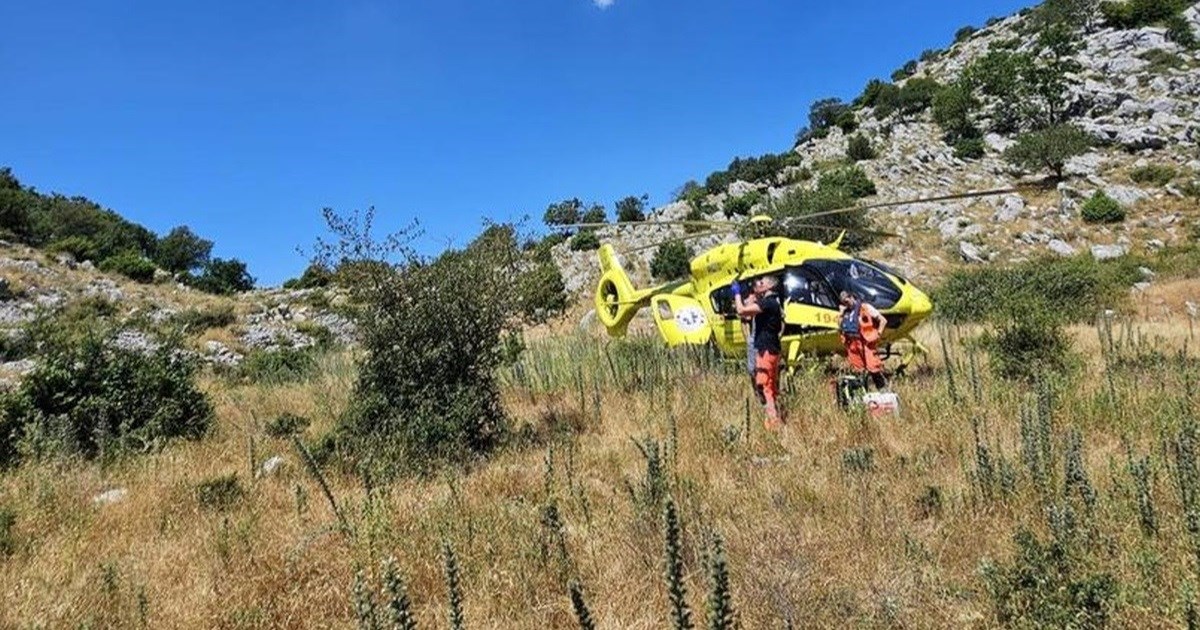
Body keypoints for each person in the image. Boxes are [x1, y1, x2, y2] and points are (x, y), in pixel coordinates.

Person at [734, 276, 784, 429]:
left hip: (765, 350)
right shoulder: (775, 303)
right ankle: (777, 416)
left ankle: (773, 422)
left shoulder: (768, 303)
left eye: (762, 283)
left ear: (770, 287)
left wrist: (736, 293)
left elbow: (741, 311)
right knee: (772, 386)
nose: (759, 284)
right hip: (774, 348)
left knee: (765, 387)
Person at [838, 290, 888, 391]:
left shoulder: (865, 307)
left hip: (865, 342)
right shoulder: (845, 312)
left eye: (847, 301)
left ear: (851, 297)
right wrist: (841, 314)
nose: (846, 304)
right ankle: (863, 394)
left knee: (873, 367)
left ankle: (883, 392)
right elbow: (841, 327)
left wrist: (878, 334)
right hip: (852, 344)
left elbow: (883, 320)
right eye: (844, 303)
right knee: (858, 371)